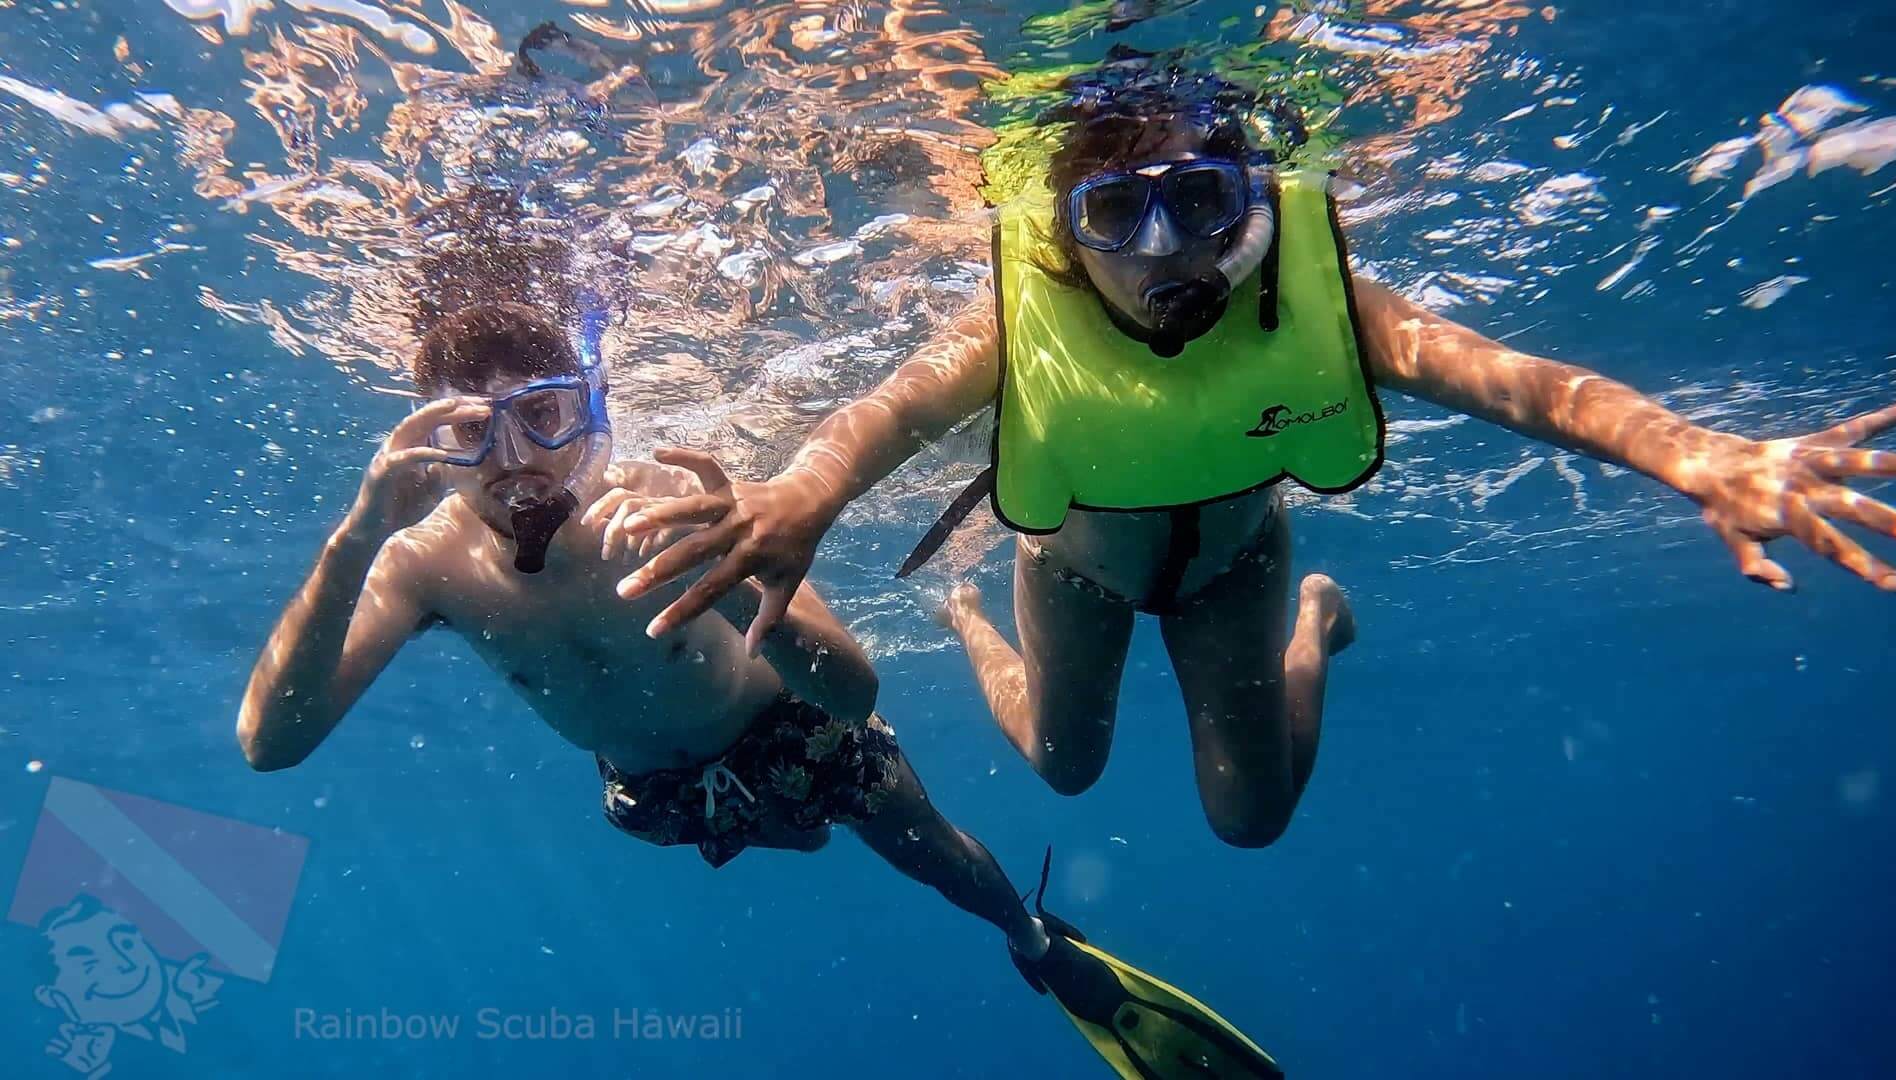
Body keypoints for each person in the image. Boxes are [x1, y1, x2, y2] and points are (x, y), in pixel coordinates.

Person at [606, 65, 1896, 850]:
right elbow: (882, 416)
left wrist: (1704, 459)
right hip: (1071, 577)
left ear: (1253, 214)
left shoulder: (1323, 302)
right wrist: (801, 495)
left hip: (1241, 573)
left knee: (1251, 822)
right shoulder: (1020, 322)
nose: (1167, 250)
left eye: (1207, 204)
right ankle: (961, 605)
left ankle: (1318, 631)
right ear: (1066, 239)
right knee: (1067, 765)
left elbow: (1528, 387)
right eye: (1120, 213)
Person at [235, 302, 1285, 1078]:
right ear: (426, 442)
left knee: (934, 857)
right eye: (472, 433)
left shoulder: (666, 506)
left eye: (545, 417)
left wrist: (741, 590)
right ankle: (800, 828)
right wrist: (354, 532)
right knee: (788, 834)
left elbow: (854, 691)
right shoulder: (416, 562)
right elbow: (269, 746)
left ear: (588, 410)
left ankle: (1035, 941)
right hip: (655, 792)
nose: (516, 464)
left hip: (789, 728)